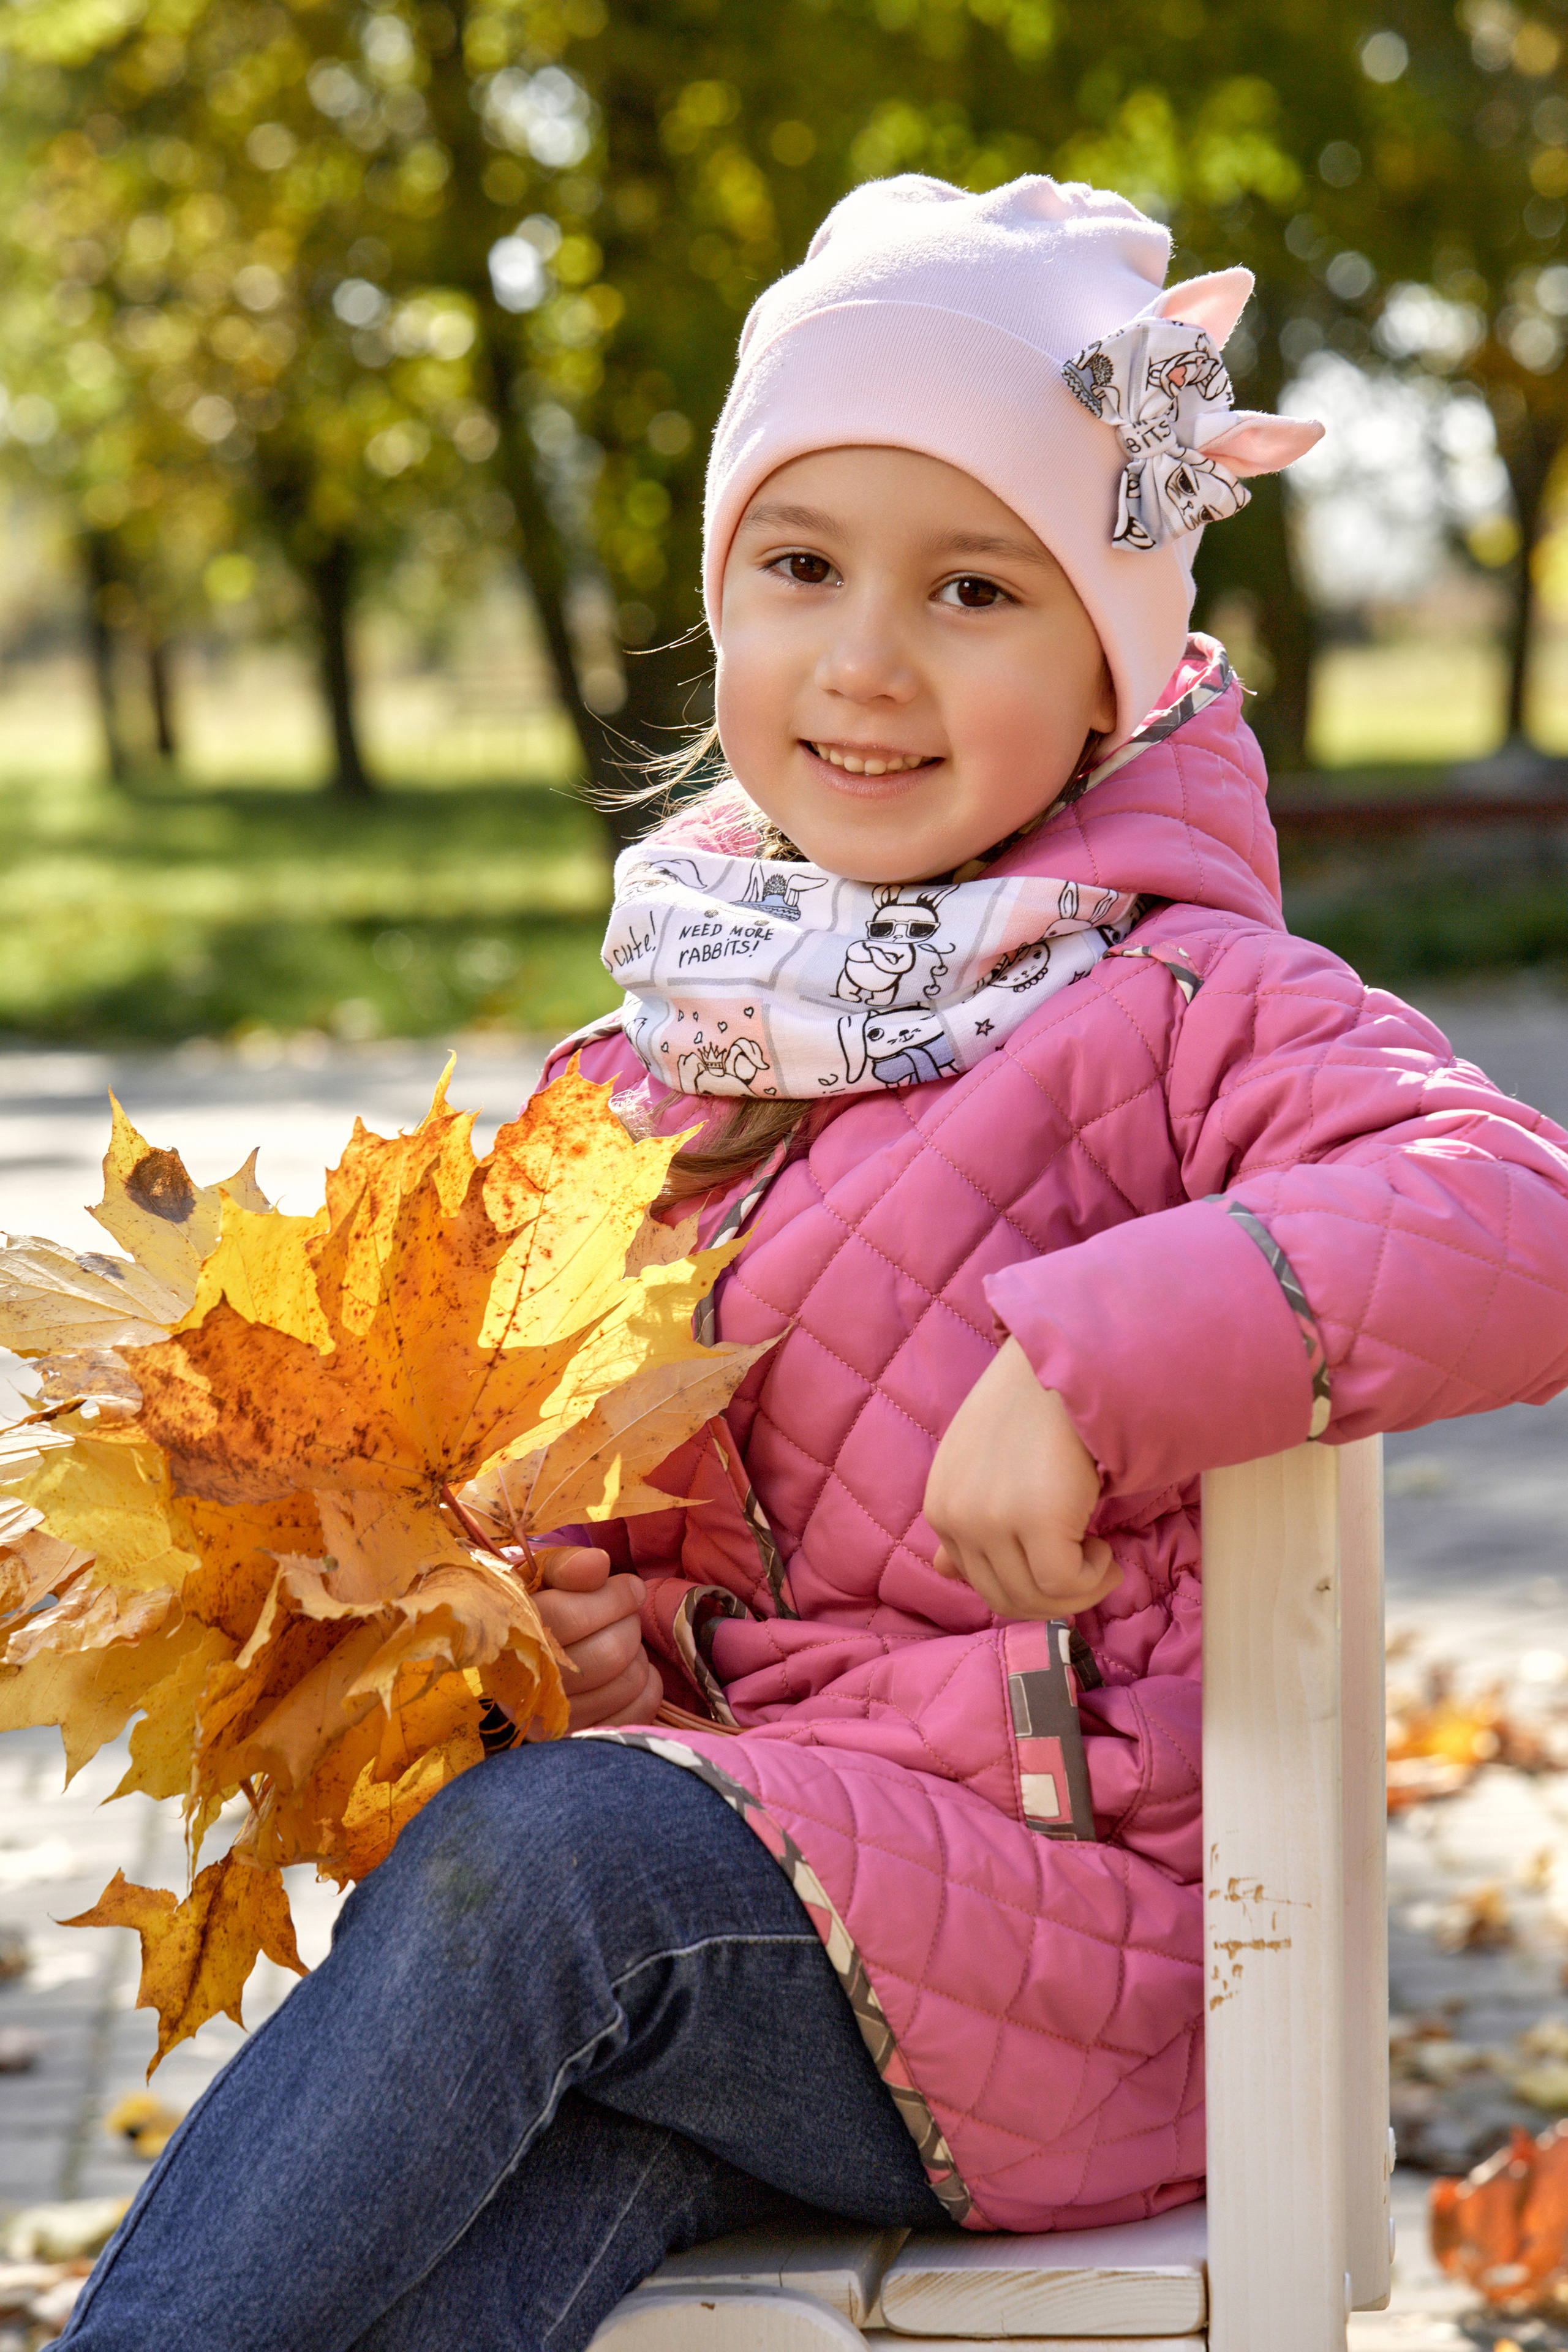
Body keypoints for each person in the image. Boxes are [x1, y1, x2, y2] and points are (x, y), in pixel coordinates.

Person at [62, 174, 1568, 2352]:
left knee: (556, 1866)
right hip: (758, 1958)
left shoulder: (1185, 1006)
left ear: (1113, 665)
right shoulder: (642, 1072)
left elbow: (1510, 1206)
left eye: (974, 588)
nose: (866, 660)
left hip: (1080, 1966)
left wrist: (1092, 1356)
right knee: (463, 2221)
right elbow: (586, 1580)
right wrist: (566, 1652)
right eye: (800, 568)